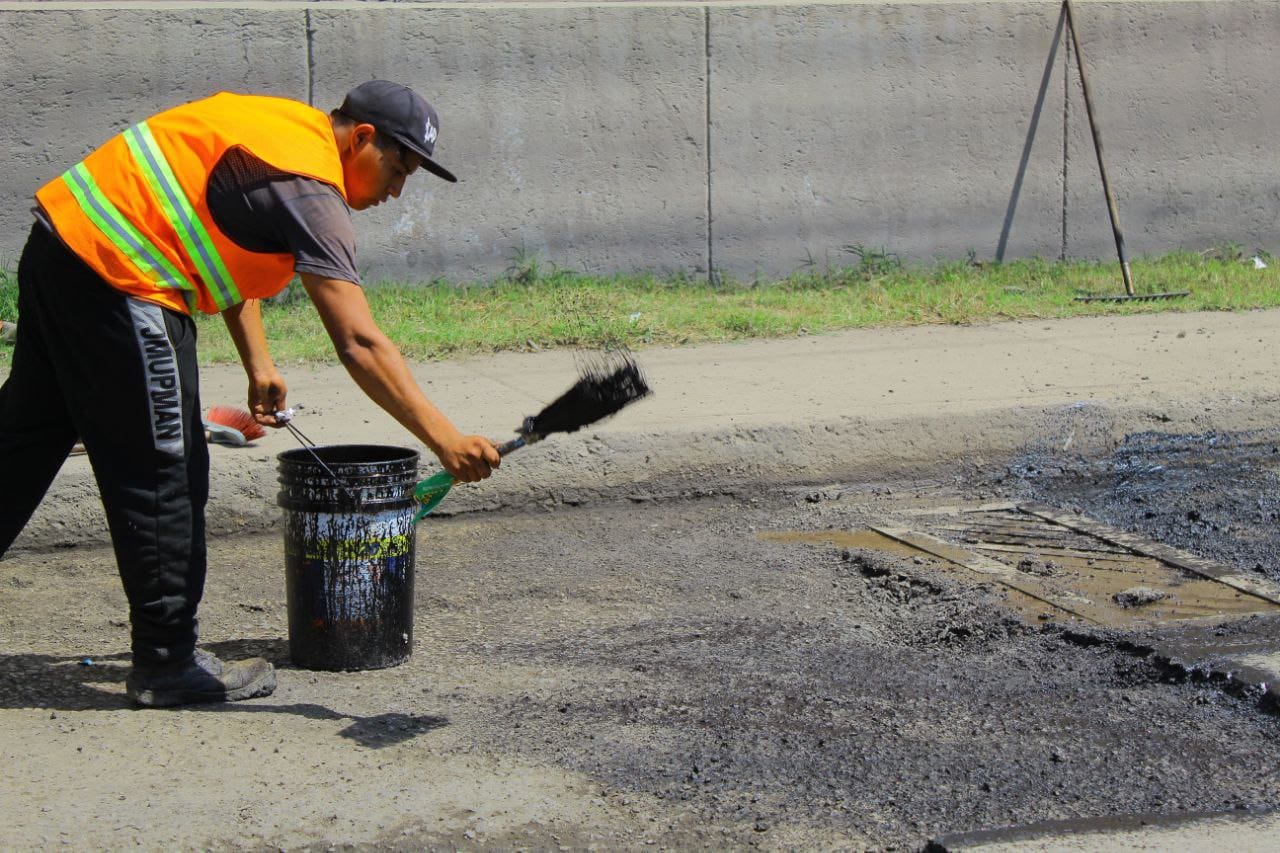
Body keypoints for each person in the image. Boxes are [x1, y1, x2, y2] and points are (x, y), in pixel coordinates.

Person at [0, 80, 501, 707]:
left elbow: (216, 225)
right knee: (168, 473)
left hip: (66, 246)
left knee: (22, 444)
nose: (397, 191)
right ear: (363, 138)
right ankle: (167, 662)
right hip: (122, 276)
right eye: (398, 168)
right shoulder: (313, 192)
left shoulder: (284, 130)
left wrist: (257, 359)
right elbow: (361, 343)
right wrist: (444, 439)